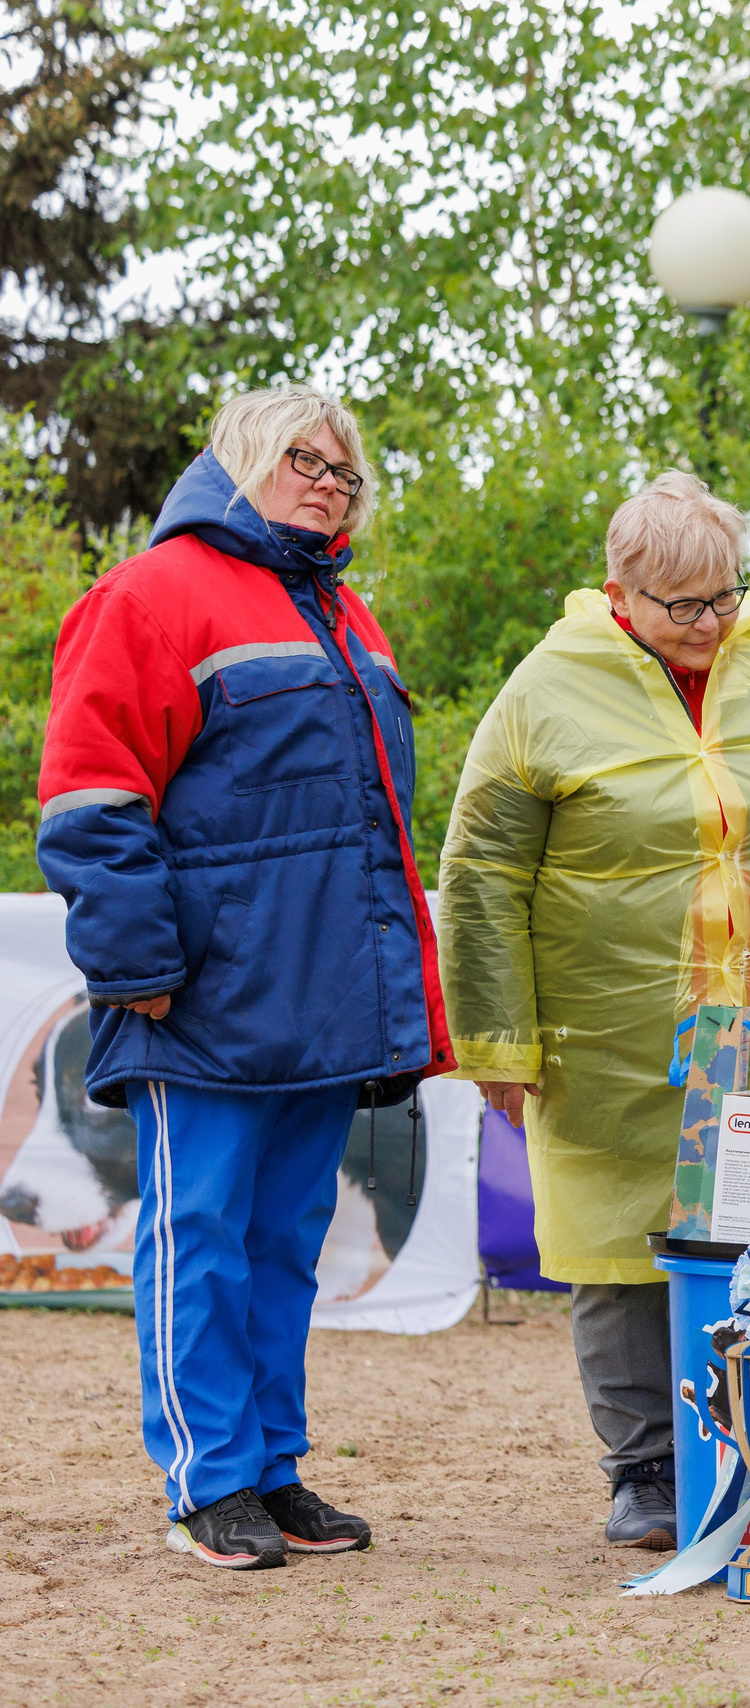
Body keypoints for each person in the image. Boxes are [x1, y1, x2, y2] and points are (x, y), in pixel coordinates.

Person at [438, 472, 750, 1551]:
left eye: (725, 599)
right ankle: (645, 1467)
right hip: (601, 1033)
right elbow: (481, 871)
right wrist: (496, 1037)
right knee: (615, 1246)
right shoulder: (544, 689)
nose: (707, 624)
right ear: (619, 593)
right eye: (680, 605)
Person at [37, 386, 452, 1570]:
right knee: (202, 1234)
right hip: (203, 994)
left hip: (322, 998)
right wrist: (135, 964)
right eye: (304, 460)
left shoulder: (346, 613)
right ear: (241, 459)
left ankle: (271, 1467)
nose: (329, 482)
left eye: (346, 471)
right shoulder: (149, 596)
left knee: (283, 1242)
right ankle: (205, 1479)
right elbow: (88, 794)